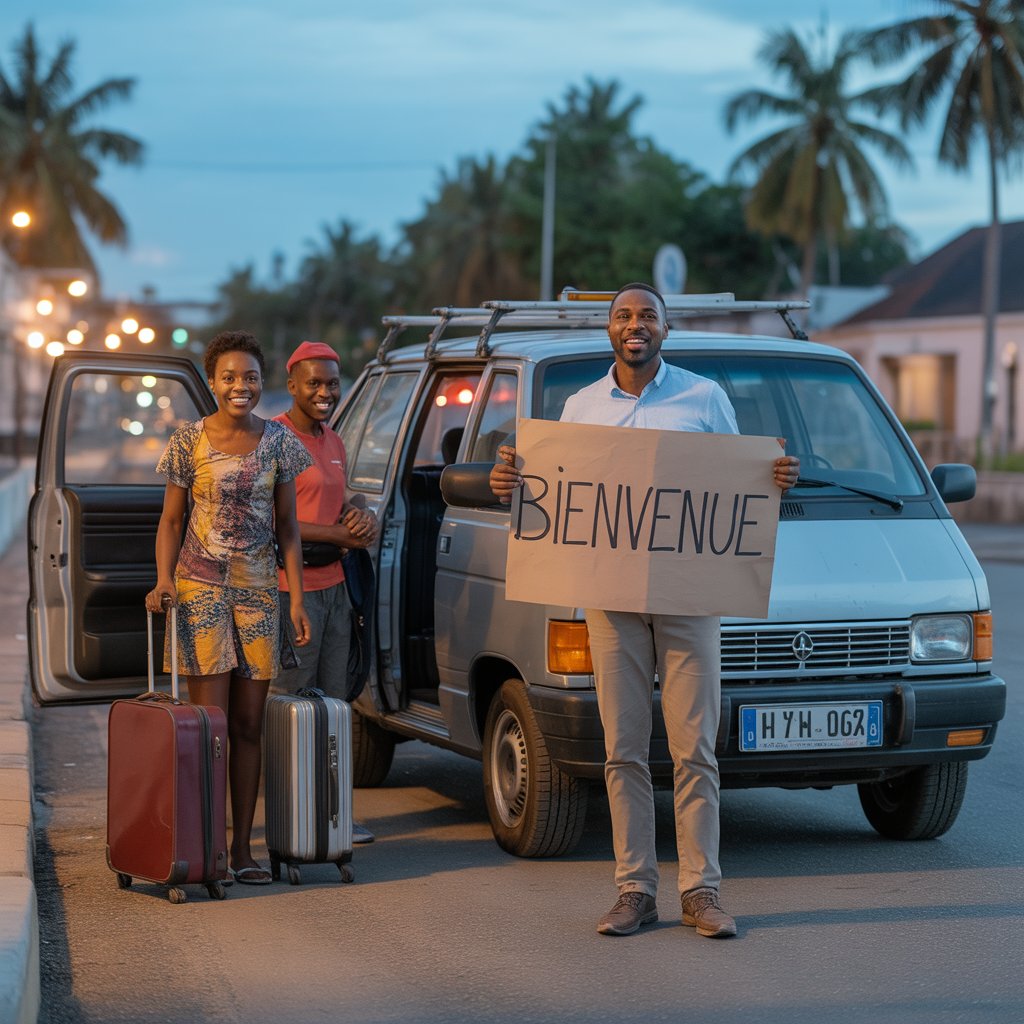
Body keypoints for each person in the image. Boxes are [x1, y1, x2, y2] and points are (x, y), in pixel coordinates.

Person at [489, 283, 800, 939]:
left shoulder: (703, 398)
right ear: (610, 329)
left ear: (666, 328)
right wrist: (511, 483)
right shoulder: (580, 405)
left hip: (690, 599)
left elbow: (738, 480)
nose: (636, 325)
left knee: (694, 751)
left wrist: (771, 480)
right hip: (612, 600)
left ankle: (702, 891)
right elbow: (553, 493)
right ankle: (634, 889)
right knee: (623, 747)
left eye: (648, 316)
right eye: (625, 316)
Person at [146, 330, 313, 885]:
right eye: (229, 377)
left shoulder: (280, 442)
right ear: (212, 381)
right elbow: (171, 521)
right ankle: (207, 847)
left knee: (247, 725)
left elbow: (289, 527)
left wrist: (295, 599)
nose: (240, 386)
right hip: (199, 593)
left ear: (261, 383)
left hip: (261, 593)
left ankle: (242, 849)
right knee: (210, 725)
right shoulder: (186, 440)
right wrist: (163, 580)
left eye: (250, 377)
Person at [273, 340, 379, 844]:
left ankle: (333, 815)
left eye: (332, 383)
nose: (324, 392)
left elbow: (339, 495)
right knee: (293, 704)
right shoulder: (273, 437)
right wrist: (339, 534)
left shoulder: (333, 440)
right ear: (292, 383)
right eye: (313, 383)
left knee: (335, 705)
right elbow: (275, 520)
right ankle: (291, 817)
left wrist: (363, 512)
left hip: (337, 589)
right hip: (290, 590)